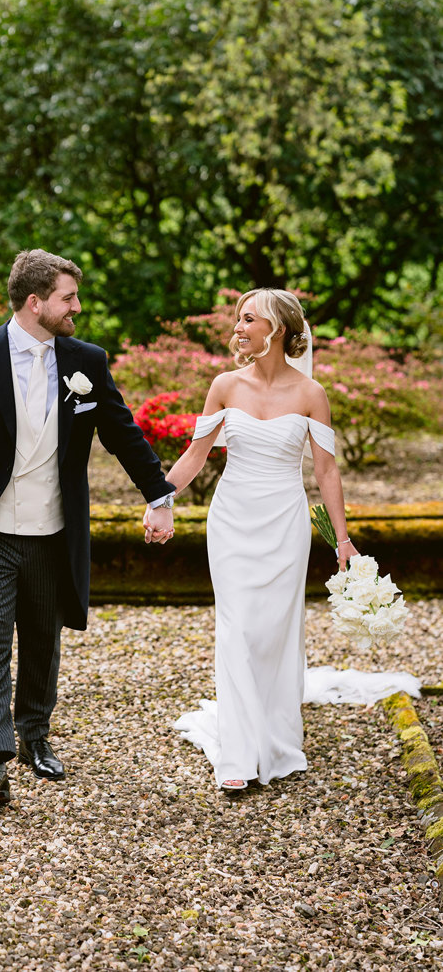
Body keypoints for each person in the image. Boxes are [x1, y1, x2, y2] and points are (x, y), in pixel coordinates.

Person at [0, 249, 176, 806]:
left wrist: (159, 496)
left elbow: (121, 432)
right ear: (35, 302)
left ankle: (34, 735)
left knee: (43, 642)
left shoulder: (86, 361)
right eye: (68, 298)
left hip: (52, 533)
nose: (78, 307)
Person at [143, 288, 359, 791]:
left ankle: (276, 736)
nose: (237, 328)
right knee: (237, 629)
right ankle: (238, 756)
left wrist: (341, 541)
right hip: (233, 520)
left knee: (275, 631)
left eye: (247, 320)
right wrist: (160, 501)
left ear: (278, 329)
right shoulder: (224, 385)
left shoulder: (311, 395)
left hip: (284, 523)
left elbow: (325, 470)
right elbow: (196, 455)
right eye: (237, 320)